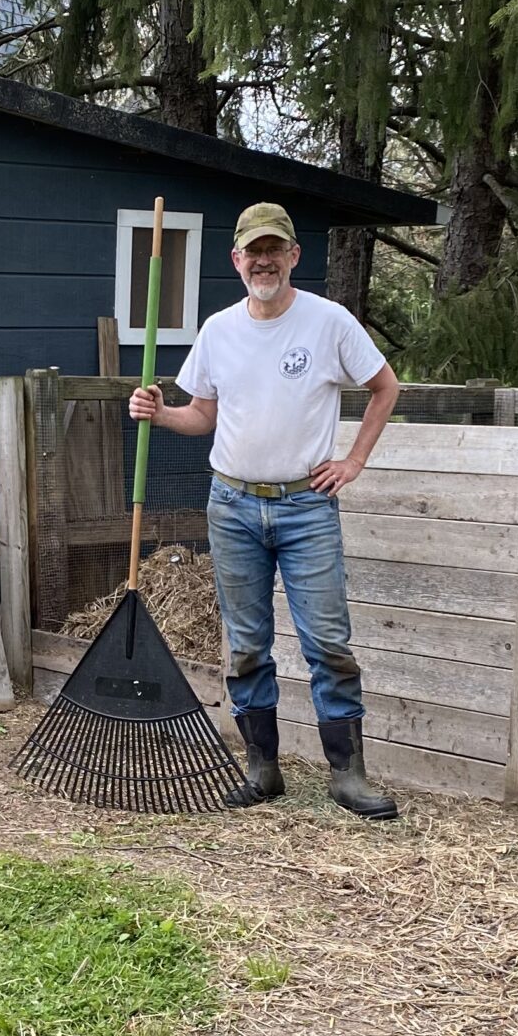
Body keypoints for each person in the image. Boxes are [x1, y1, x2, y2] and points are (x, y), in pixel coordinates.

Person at [129, 202, 403, 819]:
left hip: (307, 507)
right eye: (254, 250)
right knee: (246, 645)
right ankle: (262, 767)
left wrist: (353, 461)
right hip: (232, 505)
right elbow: (202, 414)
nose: (264, 260)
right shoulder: (219, 329)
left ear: (293, 256)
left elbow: (386, 386)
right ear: (236, 259)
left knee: (328, 643)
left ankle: (347, 776)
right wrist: (159, 413)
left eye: (275, 249)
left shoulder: (329, 322)